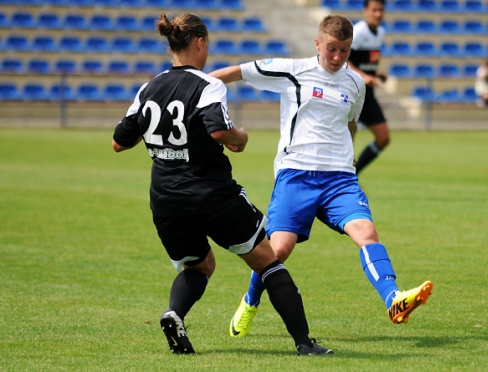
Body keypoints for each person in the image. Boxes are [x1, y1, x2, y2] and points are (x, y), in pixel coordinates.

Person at [111, 13, 331, 356]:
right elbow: (218, 130)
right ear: (200, 43)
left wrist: (164, 142)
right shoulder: (208, 85)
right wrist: (239, 137)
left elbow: (119, 142)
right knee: (268, 259)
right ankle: (304, 343)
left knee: (200, 265)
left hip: (166, 198)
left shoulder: (148, 88)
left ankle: (174, 313)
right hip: (211, 193)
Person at [209, 15, 432, 339]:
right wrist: (195, 86)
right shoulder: (293, 71)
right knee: (277, 251)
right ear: (317, 44)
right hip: (296, 175)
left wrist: (347, 151)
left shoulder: (355, 83)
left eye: (344, 50)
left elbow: (351, 123)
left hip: (339, 179)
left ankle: (393, 299)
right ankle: (250, 300)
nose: (338, 57)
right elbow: (237, 72)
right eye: (331, 49)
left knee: (366, 231)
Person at [346, 0, 390, 175]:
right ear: (365, 11)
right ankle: (340, 181)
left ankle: (354, 175)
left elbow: (363, 61)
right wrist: (364, 76)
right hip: (353, 93)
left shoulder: (379, 32)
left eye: (381, 10)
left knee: (383, 138)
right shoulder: (358, 32)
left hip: (368, 94)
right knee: (347, 144)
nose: (378, 14)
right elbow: (346, 60)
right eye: (374, 10)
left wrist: (377, 72)